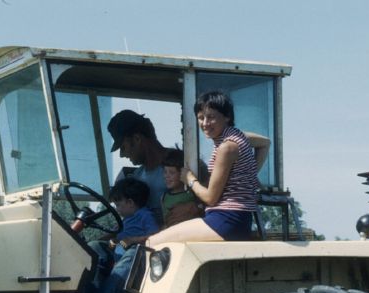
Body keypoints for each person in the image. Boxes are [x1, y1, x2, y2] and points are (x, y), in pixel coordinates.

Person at [148, 91, 260, 246]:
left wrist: (190, 179)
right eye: (201, 118)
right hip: (238, 220)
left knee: (152, 242)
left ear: (227, 116)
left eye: (211, 117)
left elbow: (210, 198)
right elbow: (265, 143)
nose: (205, 123)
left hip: (226, 219)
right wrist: (251, 172)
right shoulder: (239, 137)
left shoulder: (226, 148)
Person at [76, 177, 159, 293]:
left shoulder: (145, 216)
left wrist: (131, 240)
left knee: (133, 255)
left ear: (130, 202)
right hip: (119, 253)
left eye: (118, 204)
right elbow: (115, 236)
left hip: (138, 255)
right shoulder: (126, 220)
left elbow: (155, 237)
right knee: (94, 247)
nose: (116, 208)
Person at [107, 110, 169, 222]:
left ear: (137, 139)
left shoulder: (182, 164)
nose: (122, 155)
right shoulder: (135, 178)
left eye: (123, 147)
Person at [160, 148, 204, 227]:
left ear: (183, 173)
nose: (167, 176)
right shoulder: (164, 197)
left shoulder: (192, 193)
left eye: (172, 172)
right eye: (165, 172)